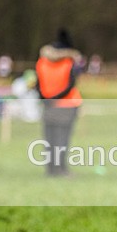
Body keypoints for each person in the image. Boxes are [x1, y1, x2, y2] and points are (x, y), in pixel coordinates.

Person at [35, 29, 83, 177]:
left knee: (49, 139)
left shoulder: (41, 62)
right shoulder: (69, 63)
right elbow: (70, 85)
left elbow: (38, 84)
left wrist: (46, 99)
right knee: (62, 140)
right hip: (67, 105)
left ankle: (51, 169)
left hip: (48, 105)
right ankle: (60, 169)